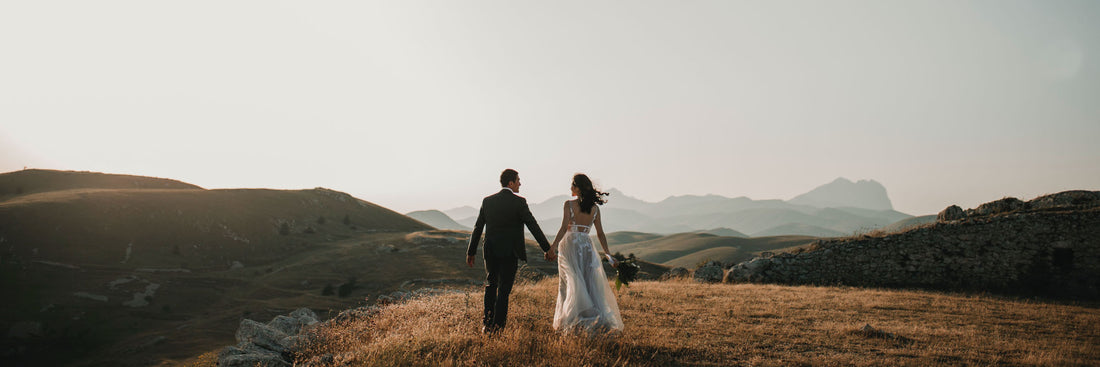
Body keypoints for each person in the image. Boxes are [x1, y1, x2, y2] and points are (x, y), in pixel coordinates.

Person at [466, 169, 555, 334]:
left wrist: (471, 252)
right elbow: (533, 226)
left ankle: (487, 324)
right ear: (511, 183)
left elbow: (478, 227)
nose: (520, 183)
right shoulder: (519, 202)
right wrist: (547, 248)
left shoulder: (487, 201)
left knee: (491, 285)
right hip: (510, 252)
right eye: (518, 180)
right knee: (504, 290)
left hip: (490, 251)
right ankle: (498, 327)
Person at [549, 173, 624, 335]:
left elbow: (563, 228)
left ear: (578, 188)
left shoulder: (568, 204)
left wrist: (553, 246)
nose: (570, 188)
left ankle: (573, 320)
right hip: (587, 246)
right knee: (588, 282)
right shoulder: (595, 209)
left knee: (571, 281)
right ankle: (593, 319)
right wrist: (608, 254)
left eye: (572, 185)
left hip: (570, 246)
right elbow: (600, 233)